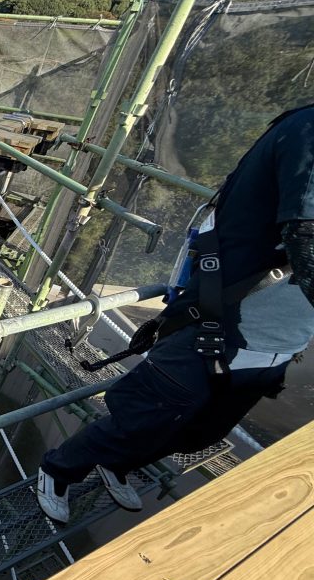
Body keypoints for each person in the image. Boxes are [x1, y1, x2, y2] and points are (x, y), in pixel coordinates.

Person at [36, 104, 314, 524]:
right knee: (146, 416)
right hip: (221, 324)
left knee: (202, 430)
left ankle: (117, 463)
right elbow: (305, 237)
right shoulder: (308, 130)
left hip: (278, 341)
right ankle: (59, 470)